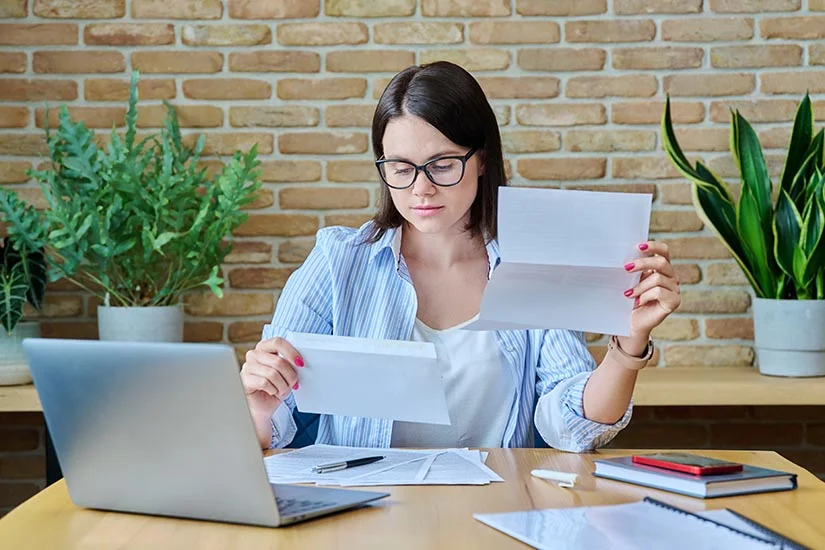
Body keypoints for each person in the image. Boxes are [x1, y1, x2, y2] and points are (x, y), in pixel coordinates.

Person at [240, 61, 681, 452]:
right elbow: (274, 428)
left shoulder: (531, 263)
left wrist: (629, 345)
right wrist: (259, 407)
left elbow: (571, 426)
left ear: (482, 159)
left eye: (443, 164)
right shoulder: (339, 263)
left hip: (494, 510)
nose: (420, 188)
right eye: (399, 168)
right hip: (366, 514)